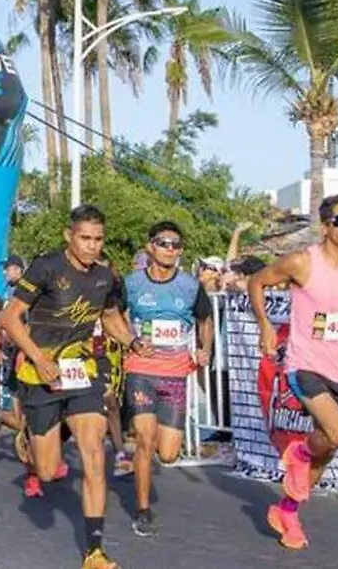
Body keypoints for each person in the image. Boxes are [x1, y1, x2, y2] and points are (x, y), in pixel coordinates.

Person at [248, 195, 338, 550]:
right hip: (305, 364)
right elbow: (257, 282)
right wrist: (266, 326)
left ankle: (288, 509)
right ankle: (297, 455)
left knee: (326, 451)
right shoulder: (301, 262)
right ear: (326, 227)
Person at [0, 205, 136, 569]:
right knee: (47, 471)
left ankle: (94, 550)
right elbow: (10, 318)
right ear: (69, 236)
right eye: (85, 238)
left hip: (81, 372)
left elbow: (109, 318)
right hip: (39, 373)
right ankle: (30, 437)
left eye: (98, 239)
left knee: (94, 453)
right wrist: (40, 360)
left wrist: (133, 343)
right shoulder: (46, 267)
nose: (92, 246)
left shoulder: (105, 277)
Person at [121, 221, 213, 537]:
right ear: (150, 247)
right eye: (163, 243)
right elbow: (114, 314)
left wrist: (205, 350)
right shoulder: (132, 283)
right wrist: (129, 340)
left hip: (175, 373)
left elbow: (205, 319)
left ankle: (143, 467)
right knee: (145, 441)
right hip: (141, 370)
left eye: (175, 245)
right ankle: (143, 509)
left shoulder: (189, 285)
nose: (170, 249)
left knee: (169, 452)